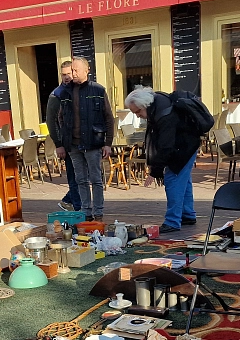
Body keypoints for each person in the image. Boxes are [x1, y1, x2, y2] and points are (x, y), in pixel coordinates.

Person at [125, 86, 200, 233]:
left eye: (138, 112)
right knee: (183, 180)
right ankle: (187, 214)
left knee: (174, 180)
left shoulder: (164, 113)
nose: (138, 116)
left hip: (183, 147)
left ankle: (172, 221)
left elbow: (166, 147)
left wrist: (155, 171)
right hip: (188, 143)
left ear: (145, 105)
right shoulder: (159, 104)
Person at [53, 57, 113, 220]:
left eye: (76, 70)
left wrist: (108, 143)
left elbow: (108, 117)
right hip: (73, 145)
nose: (73, 73)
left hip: (93, 143)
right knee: (80, 180)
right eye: (71, 70)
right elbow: (59, 117)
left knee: (96, 179)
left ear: (87, 70)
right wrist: (63, 140)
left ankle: (98, 212)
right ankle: (86, 212)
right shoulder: (65, 92)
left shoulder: (98, 90)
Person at [45, 60, 82, 212]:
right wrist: (58, 143)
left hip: (81, 141)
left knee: (83, 177)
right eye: (64, 74)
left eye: (69, 73)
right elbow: (51, 121)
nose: (67, 77)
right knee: (74, 177)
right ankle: (79, 209)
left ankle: (68, 200)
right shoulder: (56, 95)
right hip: (67, 143)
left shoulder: (79, 91)